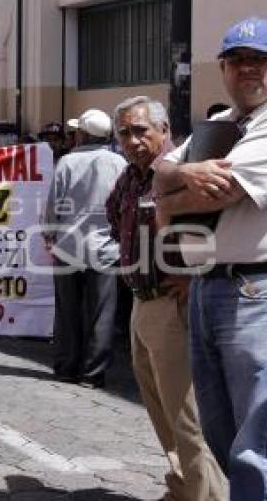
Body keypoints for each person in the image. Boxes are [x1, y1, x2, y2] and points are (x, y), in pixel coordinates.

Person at [153, 16, 267, 500]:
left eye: (260, 60)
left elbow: (213, 196)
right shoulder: (223, 123)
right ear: (223, 68)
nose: (248, 69)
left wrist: (166, 197)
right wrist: (178, 176)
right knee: (227, 443)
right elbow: (161, 166)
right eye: (237, 60)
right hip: (215, 286)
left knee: (259, 451)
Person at [106, 96, 226, 500]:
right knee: (160, 409)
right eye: (124, 132)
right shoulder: (128, 178)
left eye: (141, 130)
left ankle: (205, 496)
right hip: (142, 302)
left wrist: (196, 275)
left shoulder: (178, 172)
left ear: (163, 131)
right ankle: (183, 487)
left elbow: (221, 221)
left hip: (174, 307)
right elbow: (114, 220)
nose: (133, 139)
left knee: (185, 414)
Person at [42, 108, 126, 388]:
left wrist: (48, 234)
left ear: (83, 134)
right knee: (102, 312)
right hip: (106, 247)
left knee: (67, 310)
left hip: (68, 246)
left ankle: (67, 367)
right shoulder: (119, 163)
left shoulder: (67, 162)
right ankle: (93, 372)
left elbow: (54, 204)